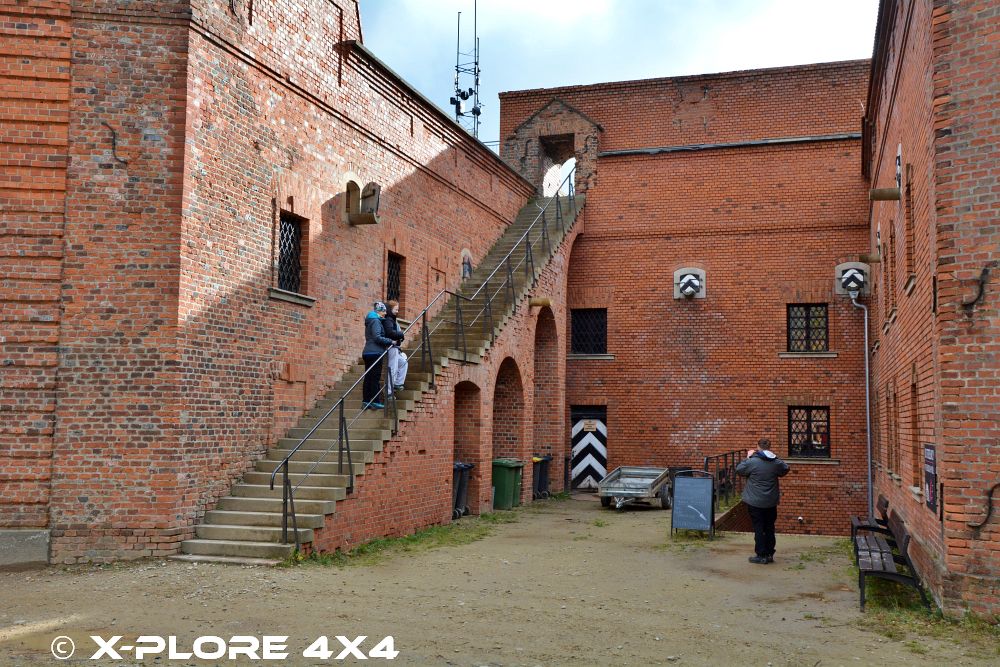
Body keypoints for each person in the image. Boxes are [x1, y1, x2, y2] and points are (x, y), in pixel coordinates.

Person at [735, 438, 790, 564]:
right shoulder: (775, 462)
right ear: (769, 447)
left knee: (759, 528)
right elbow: (785, 469)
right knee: (769, 527)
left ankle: (761, 555)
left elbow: (739, 470)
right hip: (770, 501)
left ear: (758, 446)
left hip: (755, 501)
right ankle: (770, 554)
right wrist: (775, 458)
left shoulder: (752, 461)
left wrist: (748, 457)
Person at [362, 301, 394, 409]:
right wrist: (390, 341)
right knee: (375, 377)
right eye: (384, 311)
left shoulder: (370, 320)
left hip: (368, 352)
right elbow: (377, 337)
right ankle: (375, 401)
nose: (385, 313)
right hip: (375, 352)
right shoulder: (376, 321)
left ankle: (366, 401)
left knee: (368, 377)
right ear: (379, 311)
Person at [383, 299, 408, 395]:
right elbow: (390, 333)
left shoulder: (392, 319)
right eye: (396, 309)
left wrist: (400, 335)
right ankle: (389, 392)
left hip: (395, 347)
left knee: (403, 362)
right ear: (390, 309)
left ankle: (398, 383)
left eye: (398, 309)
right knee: (392, 369)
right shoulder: (388, 319)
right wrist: (400, 334)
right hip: (390, 347)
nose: (397, 312)